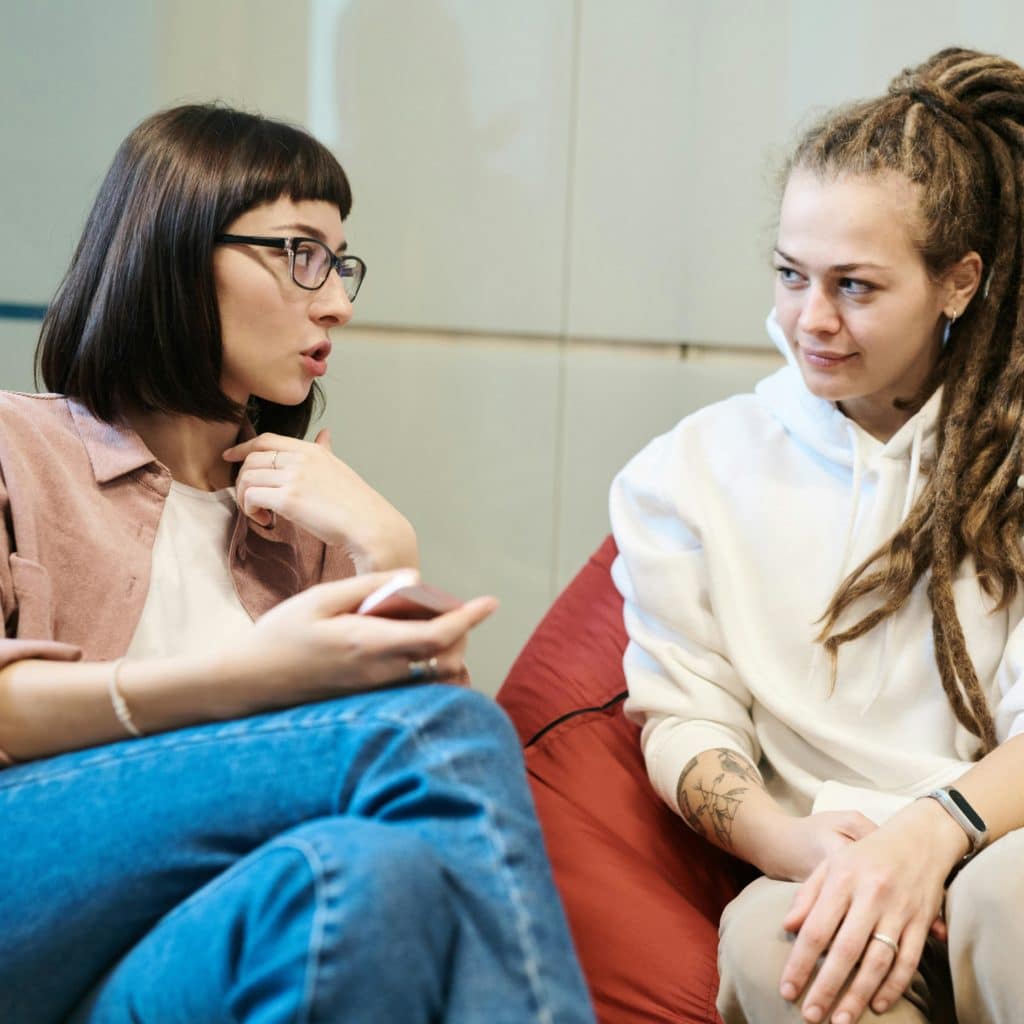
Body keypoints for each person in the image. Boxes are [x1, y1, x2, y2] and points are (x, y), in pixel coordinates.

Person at [0, 103, 593, 1024]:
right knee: (449, 732)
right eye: (300, 253)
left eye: (340, 262)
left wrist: (386, 552)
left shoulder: (305, 522)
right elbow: (421, 743)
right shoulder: (15, 447)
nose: (337, 301)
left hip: (165, 959)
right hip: (28, 892)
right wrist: (237, 680)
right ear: (177, 248)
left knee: (368, 875)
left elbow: (391, 793)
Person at [610, 47, 1024, 1024]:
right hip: (816, 856)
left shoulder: (1008, 458)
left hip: (997, 835)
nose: (811, 320)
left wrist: (937, 832)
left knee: (1011, 902)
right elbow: (684, 716)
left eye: (856, 287)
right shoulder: (687, 471)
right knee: (780, 947)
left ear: (957, 282)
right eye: (791, 274)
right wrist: (787, 846)